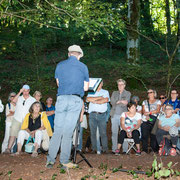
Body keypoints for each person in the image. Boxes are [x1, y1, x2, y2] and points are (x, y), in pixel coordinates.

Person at [46, 45, 89, 169]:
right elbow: (86, 88)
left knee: (57, 131)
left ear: (69, 54)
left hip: (62, 99)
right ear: (79, 55)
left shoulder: (60, 65)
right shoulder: (83, 67)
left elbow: (58, 84)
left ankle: (50, 160)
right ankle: (64, 161)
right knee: (68, 132)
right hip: (75, 100)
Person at [4, 85, 36, 154]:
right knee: (12, 134)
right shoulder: (19, 98)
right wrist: (20, 92)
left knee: (24, 134)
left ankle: (20, 150)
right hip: (17, 118)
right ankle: (8, 149)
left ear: (29, 91)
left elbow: (35, 110)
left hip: (26, 120)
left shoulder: (33, 99)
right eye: (24, 91)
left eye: (26, 91)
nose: (25, 93)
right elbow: (13, 101)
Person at [87, 81, 110, 154]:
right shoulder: (91, 91)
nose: (99, 84)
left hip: (102, 115)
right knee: (92, 133)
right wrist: (100, 98)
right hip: (92, 115)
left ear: (102, 84)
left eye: (101, 83)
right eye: (98, 83)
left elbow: (105, 100)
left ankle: (105, 149)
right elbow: (88, 99)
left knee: (103, 133)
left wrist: (94, 100)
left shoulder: (105, 92)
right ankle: (94, 149)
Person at [110, 79, 131, 153]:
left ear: (124, 85)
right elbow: (112, 102)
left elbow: (126, 103)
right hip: (114, 115)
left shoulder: (128, 93)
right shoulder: (114, 93)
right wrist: (120, 101)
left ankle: (125, 150)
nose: (120, 86)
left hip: (123, 115)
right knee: (114, 133)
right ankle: (114, 149)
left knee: (124, 132)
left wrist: (118, 102)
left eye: (121, 84)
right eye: (119, 84)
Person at [141, 89, 160, 154]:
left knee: (153, 135)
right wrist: (146, 115)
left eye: (151, 92)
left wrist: (150, 113)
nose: (149, 93)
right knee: (144, 134)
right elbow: (143, 110)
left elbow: (158, 110)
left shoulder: (158, 101)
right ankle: (144, 150)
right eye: (148, 92)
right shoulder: (144, 101)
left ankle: (153, 150)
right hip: (145, 119)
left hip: (153, 119)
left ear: (154, 93)